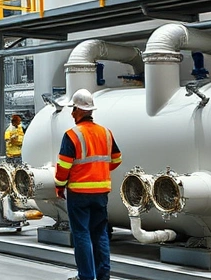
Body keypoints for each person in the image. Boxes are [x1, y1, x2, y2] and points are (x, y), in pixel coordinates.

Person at [54, 90, 121, 280]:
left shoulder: (72, 135)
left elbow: (64, 166)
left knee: (81, 234)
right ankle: (103, 275)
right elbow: (117, 159)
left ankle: (85, 276)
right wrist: (99, 171)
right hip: (101, 193)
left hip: (78, 192)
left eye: (73, 109)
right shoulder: (105, 133)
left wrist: (59, 186)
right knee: (100, 233)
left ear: (79, 110)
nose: (71, 113)